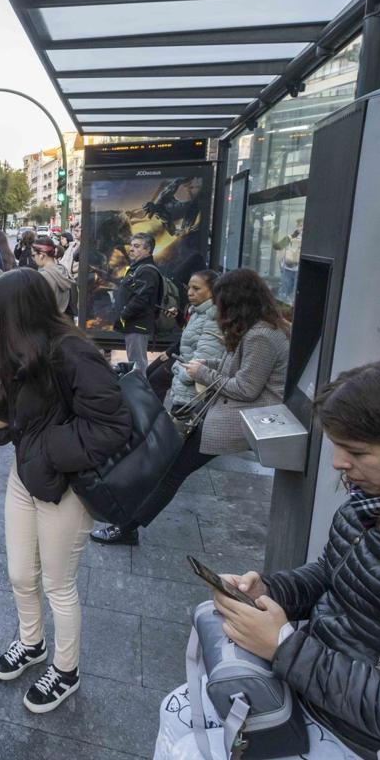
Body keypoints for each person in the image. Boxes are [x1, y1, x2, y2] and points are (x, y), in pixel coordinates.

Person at [155, 361, 380, 760]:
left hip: (364, 739)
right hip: (315, 693)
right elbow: (336, 574)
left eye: (357, 451)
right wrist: (272, 590)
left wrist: (285, 647)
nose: (339, 462)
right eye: (336, 445)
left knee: (190, 749)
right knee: (179, 712)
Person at [0, 269, 131, 714]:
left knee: (58, 583)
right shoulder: (18, 348)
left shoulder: (74, 352)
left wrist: (45, 448)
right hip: (25, 478)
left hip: (66, 487)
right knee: (21, 574)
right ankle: (31, 642)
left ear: (17, 309)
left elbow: (113, 426)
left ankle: (65, 669)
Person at [93, 268, 288, 546]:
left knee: (171, 471)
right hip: (227, 412)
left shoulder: (261, 336)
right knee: (171, 469)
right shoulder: (260, 329)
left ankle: (127, 527)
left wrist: (202, 373)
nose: (220, 310)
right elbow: (234, 370)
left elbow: (246, 388)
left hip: (235, 419)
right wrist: (206, 367)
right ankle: (127, 526)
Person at [154, 269, 222, 408]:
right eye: (188, 287)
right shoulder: (197, 312)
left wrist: (180, 372)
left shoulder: (213, 318)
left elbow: (204, 358)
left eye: (196, 288)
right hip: (184, 388)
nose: (190, 292)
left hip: (192, 395)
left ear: (213, 290)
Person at [114, 233, 161, 374]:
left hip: (138, 325)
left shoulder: (146, 271)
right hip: (134, 324)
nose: (131, 249)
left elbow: (141, 298)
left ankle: (140, 393)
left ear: (148, 250)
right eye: (131, 245)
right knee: (135, 362)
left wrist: (123, 315)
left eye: (137, 246)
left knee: (137, 365)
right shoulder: (138, 268)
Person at [32, 235, 74, 315]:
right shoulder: (63, 270)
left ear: (41, 255)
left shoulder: (42, 277)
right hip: (63, 321)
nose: (33, 259)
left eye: (33, 255)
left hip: (48, 323)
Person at [274, 217, 303, 302]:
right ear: (297, 227)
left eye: (304, 225)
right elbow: (278, 247)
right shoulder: (290, 237)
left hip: (298, 270)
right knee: (284, 292)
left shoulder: (308, 239)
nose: (302, 228)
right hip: (287, 269)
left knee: (295, 294)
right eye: (300, 225)